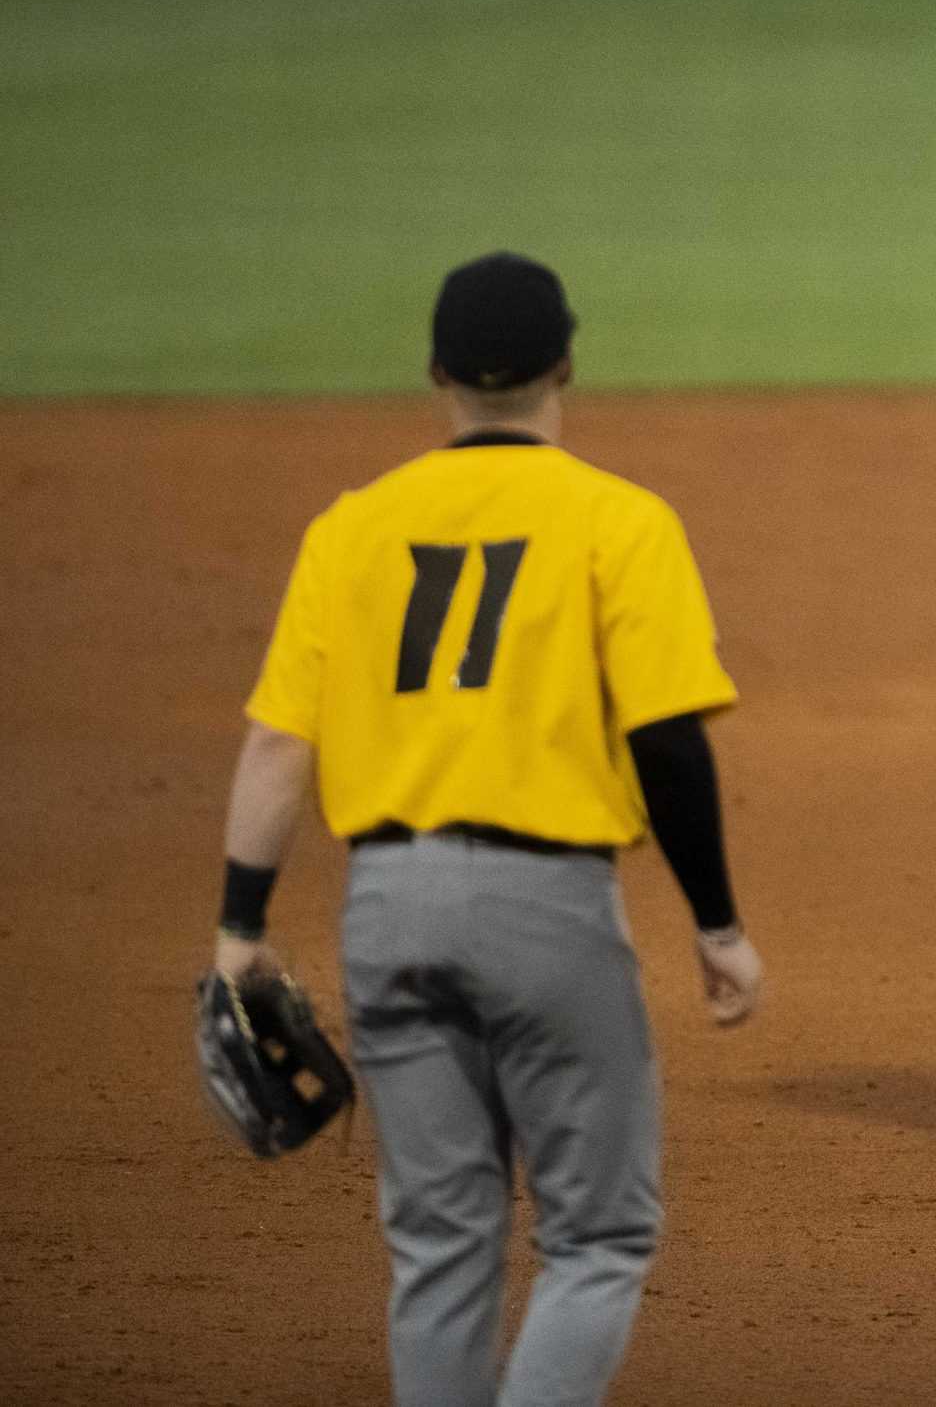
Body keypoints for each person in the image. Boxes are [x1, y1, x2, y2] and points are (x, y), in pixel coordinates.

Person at [210, 252, 764, 1406]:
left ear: (436, 376)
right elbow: (668, 742)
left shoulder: (351, 529)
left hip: (386, 909)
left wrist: (239, 927)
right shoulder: (622, 520)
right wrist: (716, 926)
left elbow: (275, 747)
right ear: (567, 364)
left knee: (439, 1245)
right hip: (546, 912)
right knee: (599, 1239)